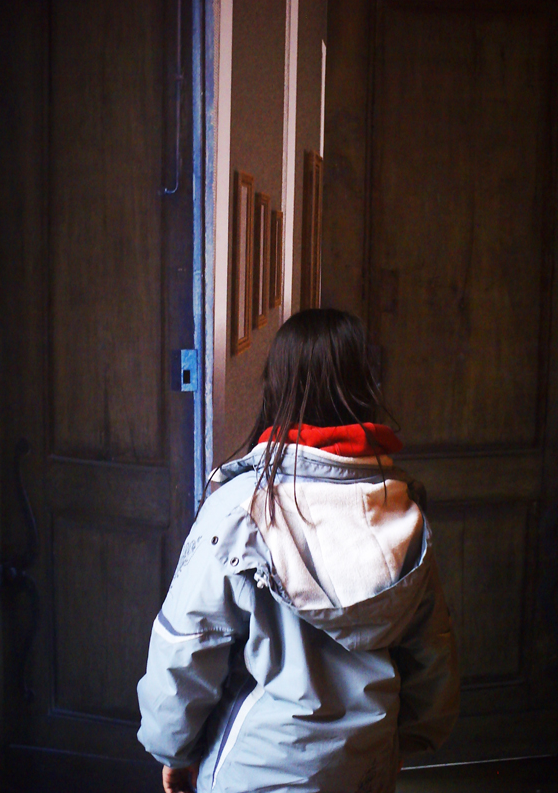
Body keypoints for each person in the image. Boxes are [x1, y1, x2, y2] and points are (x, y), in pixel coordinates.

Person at [137, 308, 460, 793]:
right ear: (363, 386)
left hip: (256, 773)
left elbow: (188, 646)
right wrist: (401, 744)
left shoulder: (239, 510)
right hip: (364, 769)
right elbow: (432, 652)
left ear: (275, 386)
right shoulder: (401, 511)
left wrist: (173, 751)